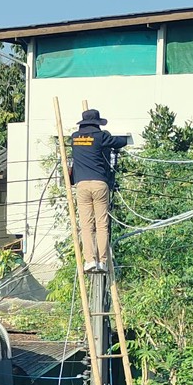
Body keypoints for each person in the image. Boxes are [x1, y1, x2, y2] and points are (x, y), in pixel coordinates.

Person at [68, 108, 131, 274]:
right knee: (102, 225)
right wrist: (127, 138)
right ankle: (102, 261)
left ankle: (90, 261)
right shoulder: (100, 136)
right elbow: (118, 142)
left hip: (82, 185)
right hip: (99, 184)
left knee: (86, 225)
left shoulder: (74, 138)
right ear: (97, 123)